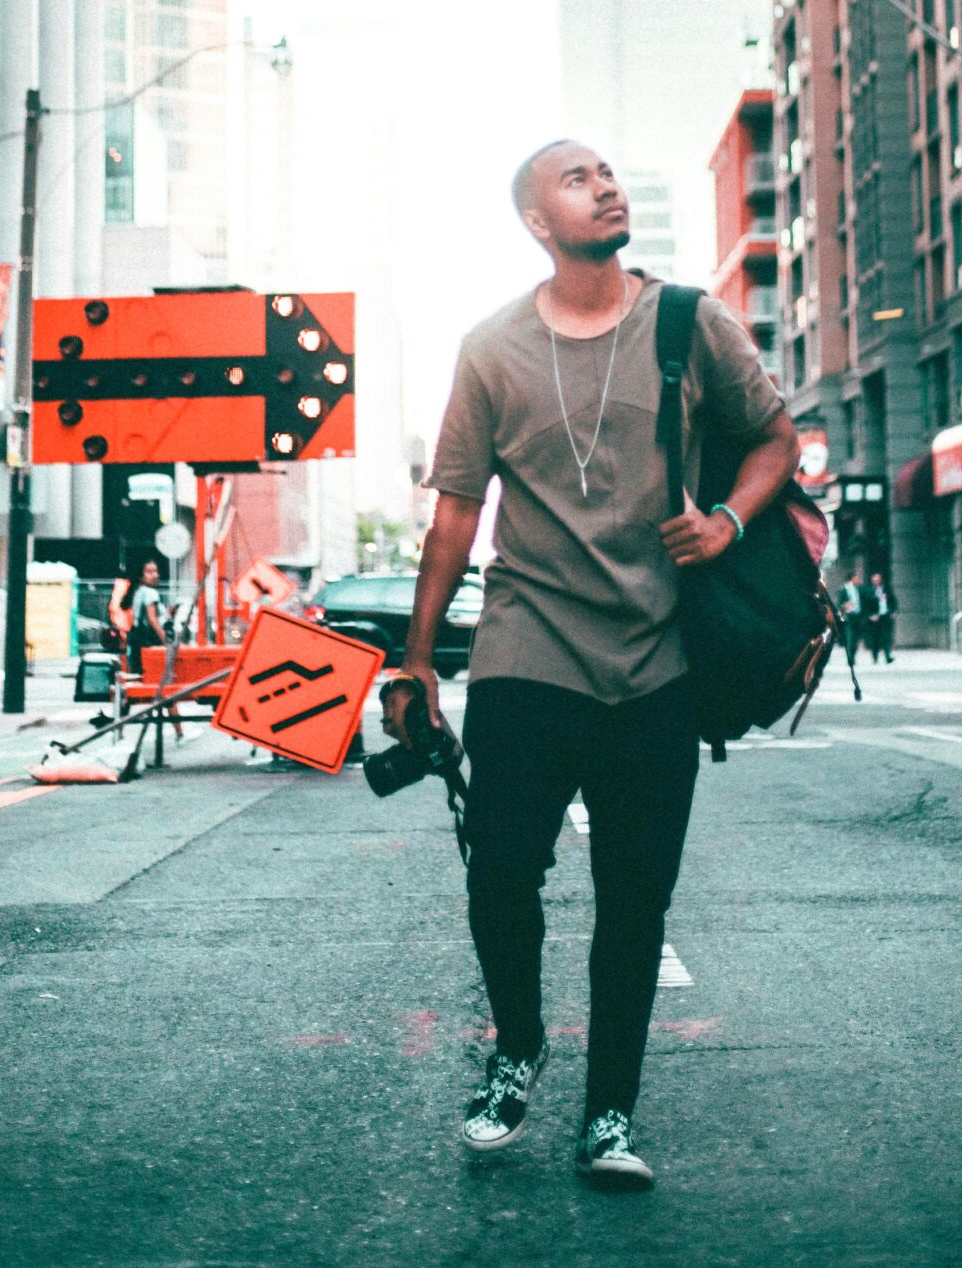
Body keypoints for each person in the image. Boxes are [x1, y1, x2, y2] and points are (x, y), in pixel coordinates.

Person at [385, 140, 799, 1189]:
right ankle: (515, 1047)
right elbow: (454, 513)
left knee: (633, 901)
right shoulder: (491, 349)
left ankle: (608, 1113)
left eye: (608, 171)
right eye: (576, 178)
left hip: (657, 663)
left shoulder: (688, 322)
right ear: (535, 218)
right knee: (500, 873)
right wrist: (418, 662)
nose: (604, 183)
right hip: (526, 648)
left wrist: (727, 519)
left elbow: (773, 438)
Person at [126, 559, 184, 740]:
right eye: (150, 572)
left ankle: (118, 733)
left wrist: (169, 615)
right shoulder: (150, 593)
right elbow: (152, 620)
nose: (155, 575)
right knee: (165, 687)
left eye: (156, 571)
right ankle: (179, 732)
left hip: (137, 645)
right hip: (150, 647)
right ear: (141, 575)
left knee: (134, 688)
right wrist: (166, 641)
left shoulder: (138, 592)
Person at [864, 571, 897, 664]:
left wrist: (893, 611)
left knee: (886, 637)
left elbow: (893, 601)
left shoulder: (886, 589)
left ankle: (887, 657)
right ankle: (875, 657)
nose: (876, 581)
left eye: (878, 580)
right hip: (875, 618)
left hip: (886, 616)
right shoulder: (869, 591)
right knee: (876, 638)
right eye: (875, 580)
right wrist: (870, 615)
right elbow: (866, 605)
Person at [838, 569, 865, 667]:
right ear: (851, 578)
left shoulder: (859, 589)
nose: (857, 579)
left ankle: (853, 656)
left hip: (858, 616)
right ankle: (850, 659)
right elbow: (839, 603)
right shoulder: (843, 589)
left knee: (857, 639)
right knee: (850, 638)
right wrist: (845, 605)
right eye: (856, 577)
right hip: (849, 617)